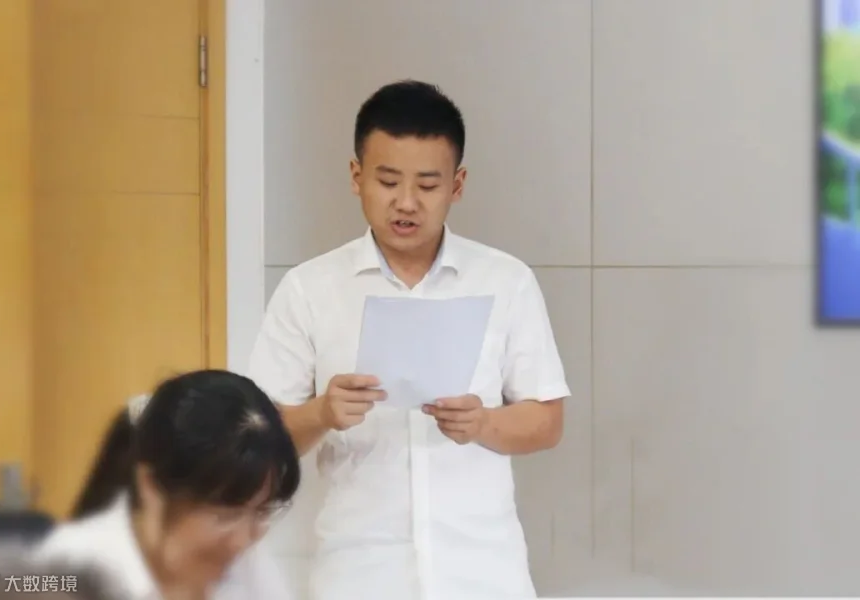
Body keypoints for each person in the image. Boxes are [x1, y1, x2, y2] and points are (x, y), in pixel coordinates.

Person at [249, 80, 571, 600]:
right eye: (387, 181)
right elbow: (259, 440)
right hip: (357, 573)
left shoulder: (505, 281)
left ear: (457, 185)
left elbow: (547, 421)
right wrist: (321, 412)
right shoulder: (309, 289)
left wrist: (484, 423)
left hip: (483, 572)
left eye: (427, 185)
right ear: (356, 176)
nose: (406, 202)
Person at [35, 370, 301, 600]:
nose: (242, 541)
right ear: (151, 487)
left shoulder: (246, 561)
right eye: (225, 515)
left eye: (262, 511)